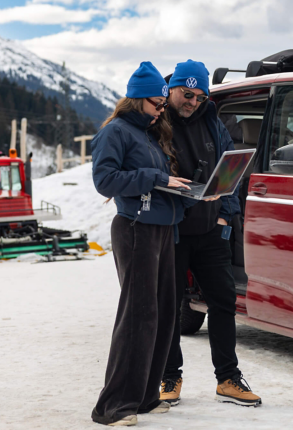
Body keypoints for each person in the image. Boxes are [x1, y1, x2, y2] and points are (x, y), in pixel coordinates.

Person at [90, 61, 213, 426]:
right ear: (137, 99)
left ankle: (144, 398)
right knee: (137, 317)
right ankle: (113, 407)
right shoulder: (116, 132)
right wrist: (157, 177)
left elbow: (157, 182)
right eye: (157, 104)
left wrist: (193, 192)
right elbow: (106, 180)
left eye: (163, 103)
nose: (163, 110)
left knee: (161, 316)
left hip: (162, 228)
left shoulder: (148, 133)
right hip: (135, 229)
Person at [159, 60, 262, 407]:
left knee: (223, 302)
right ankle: (169, 376)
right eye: (187, 94)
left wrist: (224, 219)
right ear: (171, 87)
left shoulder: (213, 122)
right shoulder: (156, 119)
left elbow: (230, 172)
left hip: (209, 229)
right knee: (169, 306)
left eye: (200, 97)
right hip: (170, 231)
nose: (193, 102)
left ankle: (228, 379)